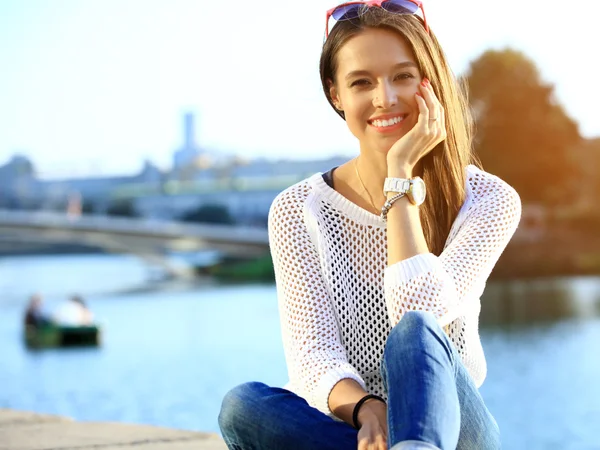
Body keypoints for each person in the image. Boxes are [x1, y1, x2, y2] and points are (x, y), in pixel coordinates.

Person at [219, 1, 521, 449]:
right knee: (242, 407)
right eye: (362, 82)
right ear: (336, 94)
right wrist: (366, 408)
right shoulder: (298, 210)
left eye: (402, 76)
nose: (385, 98)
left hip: (458, 432)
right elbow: (313, 359)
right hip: (360, 431)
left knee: (416, 330)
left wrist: (399, 180)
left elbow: (421, 311)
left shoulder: (489, 200)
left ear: (430, 82)